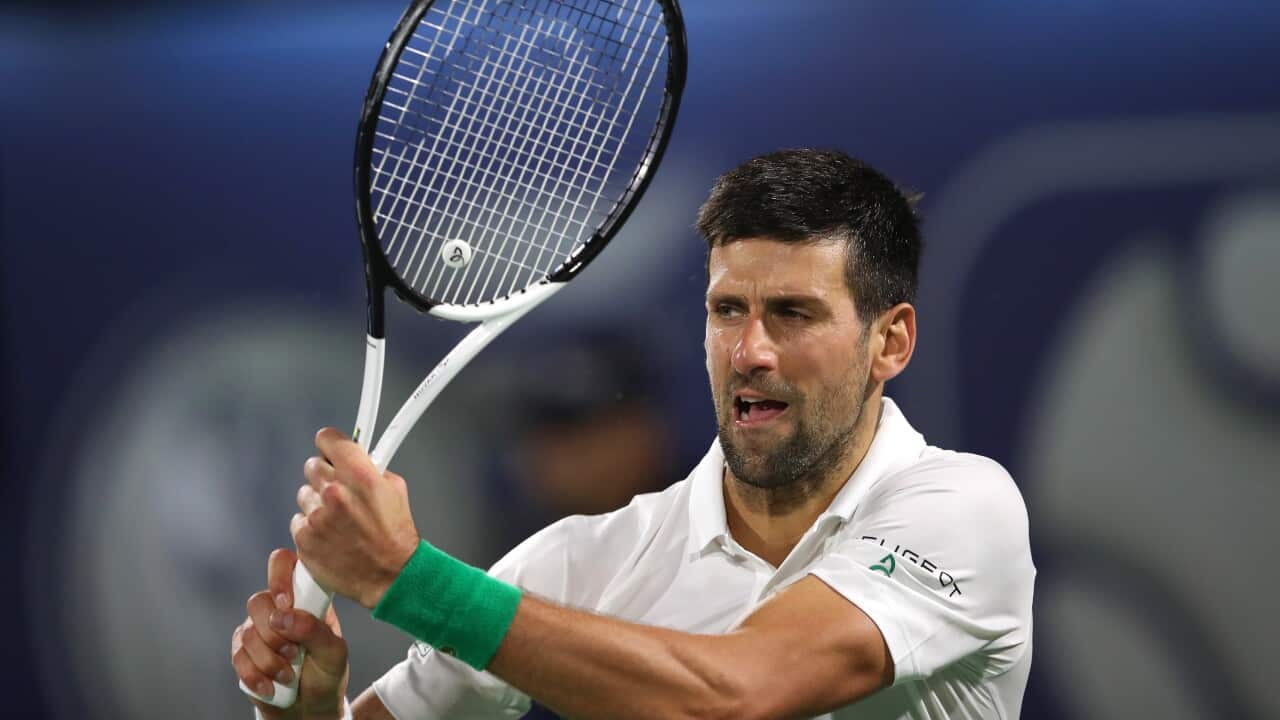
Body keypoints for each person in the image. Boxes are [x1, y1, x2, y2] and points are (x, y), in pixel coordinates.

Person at [230, 149, 1035, 720]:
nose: (749, 351)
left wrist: (410, 581)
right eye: (728, 310)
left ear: (890, 341)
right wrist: (305, 712)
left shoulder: (962, 508)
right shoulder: (582, 560)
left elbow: (733, 694)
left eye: (793, 313)